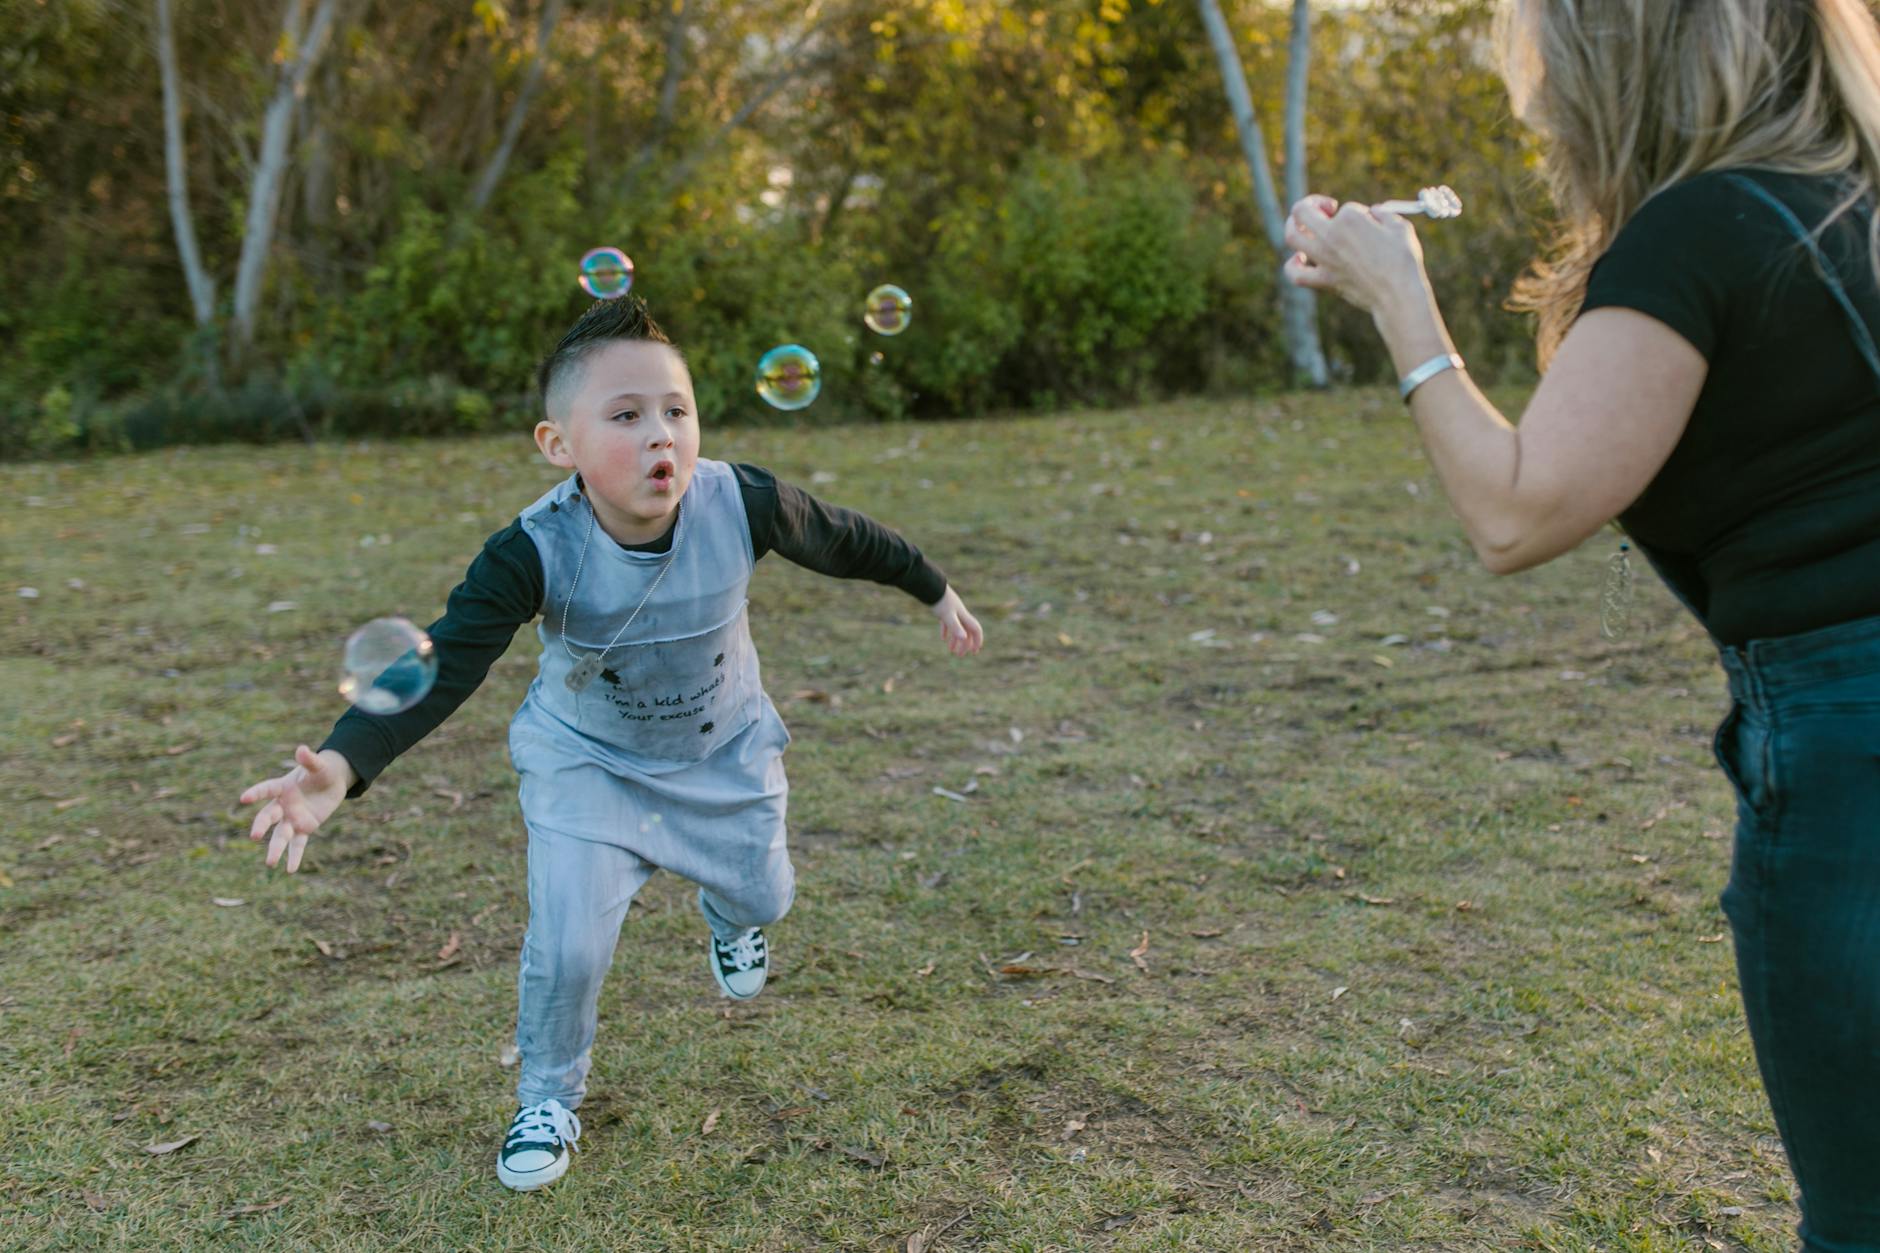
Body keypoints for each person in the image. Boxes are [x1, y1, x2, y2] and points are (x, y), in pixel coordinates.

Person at [1281, 0, 1880, 1245]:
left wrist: (1398, 299)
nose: (1537, 83)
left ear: (1619, 53)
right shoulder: (1841, 201)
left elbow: (1516, 511)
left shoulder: (1700, 228)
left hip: (1848, 746)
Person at [235, 296, 985, 1192]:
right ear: (559, 444)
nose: (660, 434)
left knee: (768, 895)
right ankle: (547, 1097)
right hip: (587, 762)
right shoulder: (532, 550)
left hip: (722, 750)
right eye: (625, 416)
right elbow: (446, 658)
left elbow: (843, 537)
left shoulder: (742, 502)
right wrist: (343, 764)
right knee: (569, 947)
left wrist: (933, 587)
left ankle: (731, 913)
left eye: (676, 410)